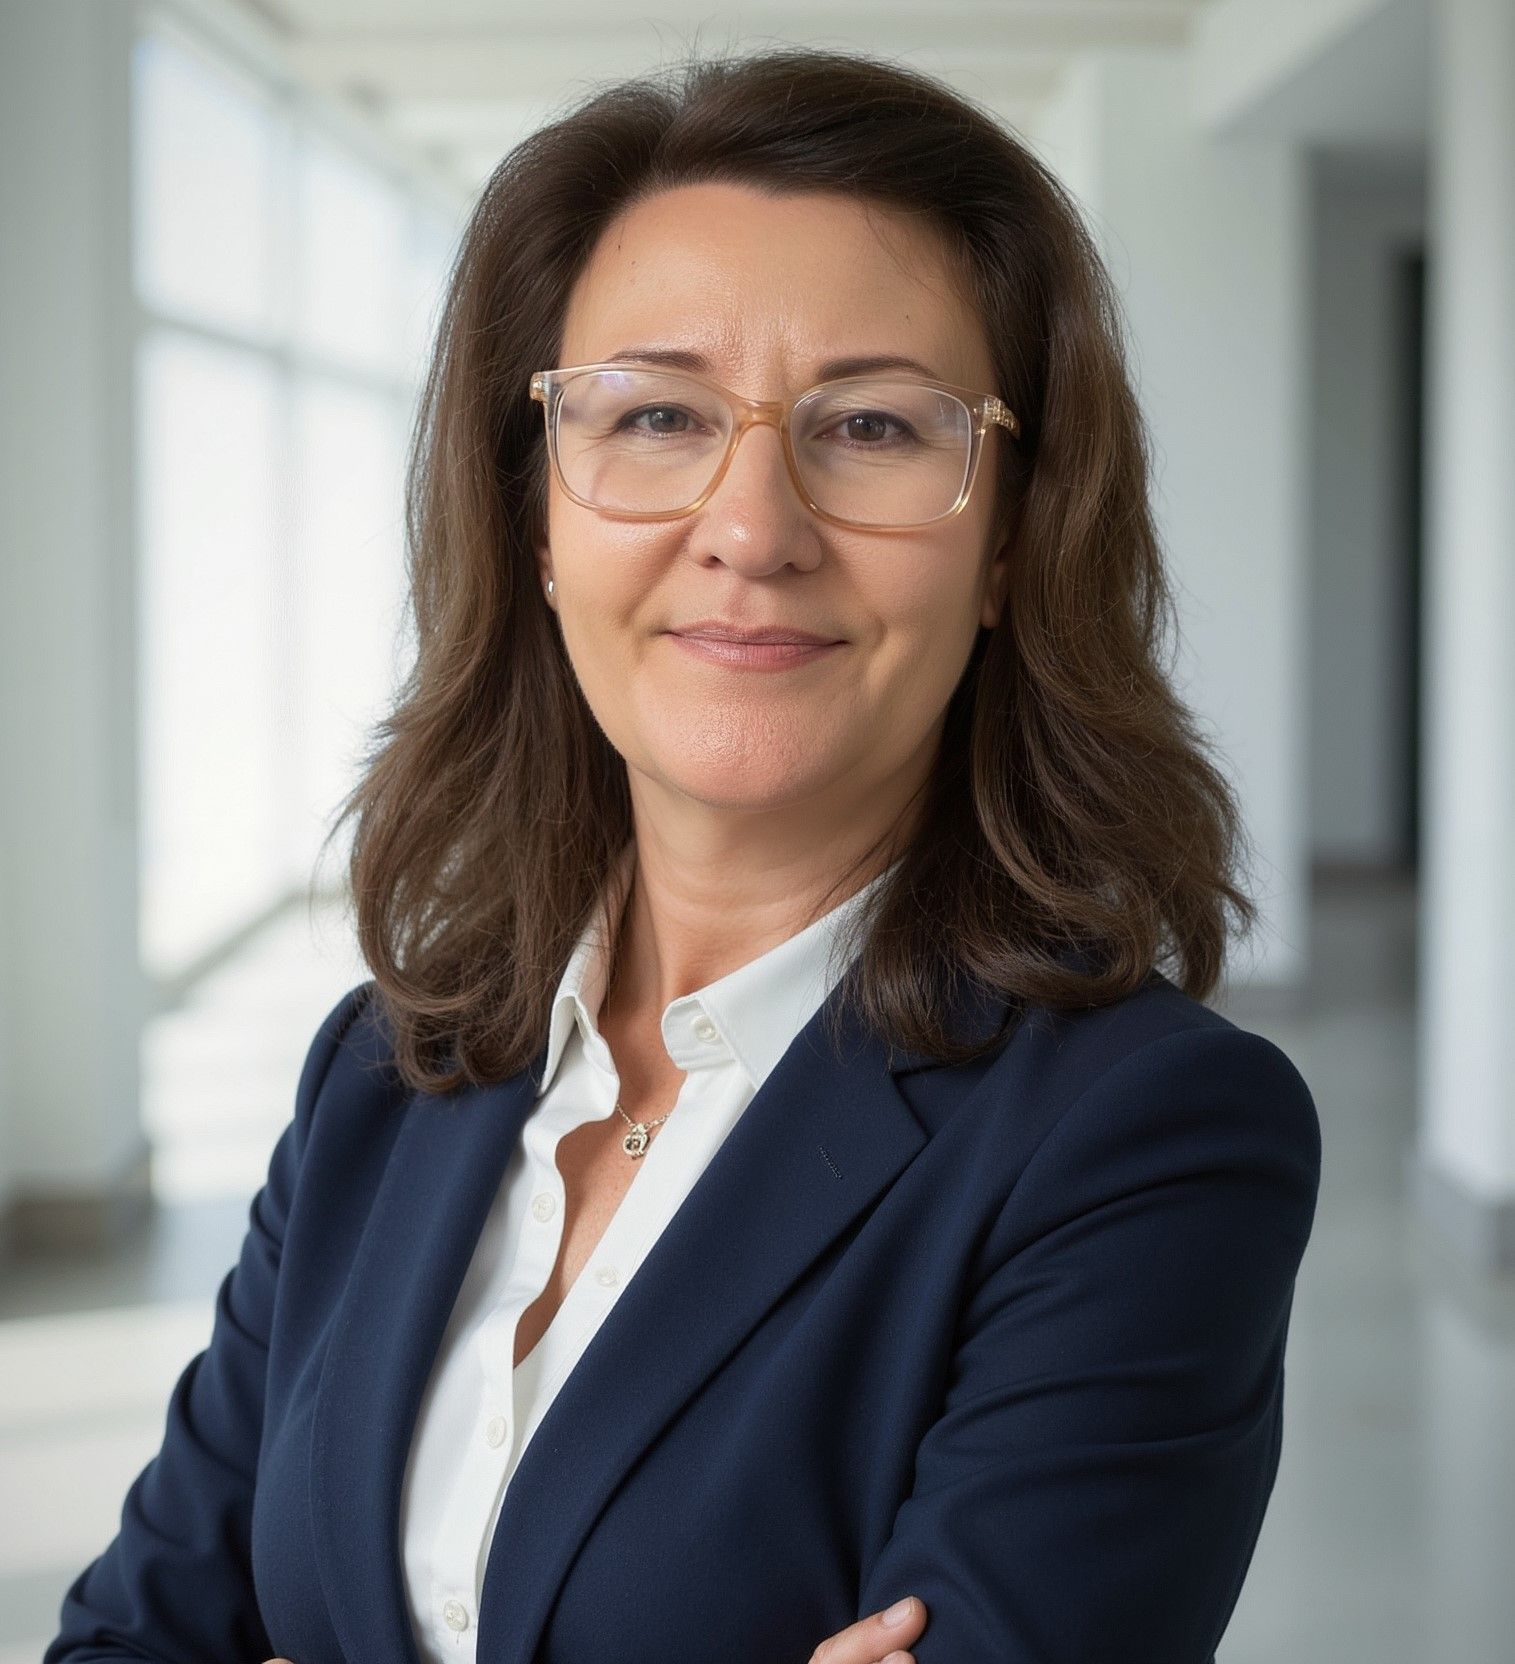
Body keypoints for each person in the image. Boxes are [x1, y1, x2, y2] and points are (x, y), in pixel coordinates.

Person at [44, 42, 1322, 1664]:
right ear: (539, 524)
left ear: (1011, 539)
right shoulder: (385, 1072)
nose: (752, 523)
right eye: (655, 413)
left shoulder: (1147, 1142)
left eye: (871, 426)